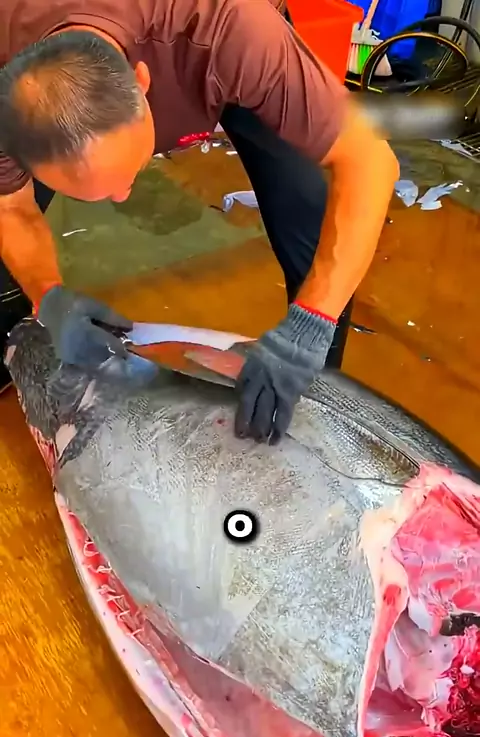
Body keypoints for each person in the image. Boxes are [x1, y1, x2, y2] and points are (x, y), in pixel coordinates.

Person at [0, 0, 399, 444]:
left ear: (142, 81)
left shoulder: (234, 30)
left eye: (127, 173)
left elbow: (369, 158)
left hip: (209, 51)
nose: (124, 196)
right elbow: (9, 207)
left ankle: (309, 387)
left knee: (310, 209)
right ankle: (23, 343)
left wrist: (311, 324)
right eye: (96, 191)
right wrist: (49, 295)